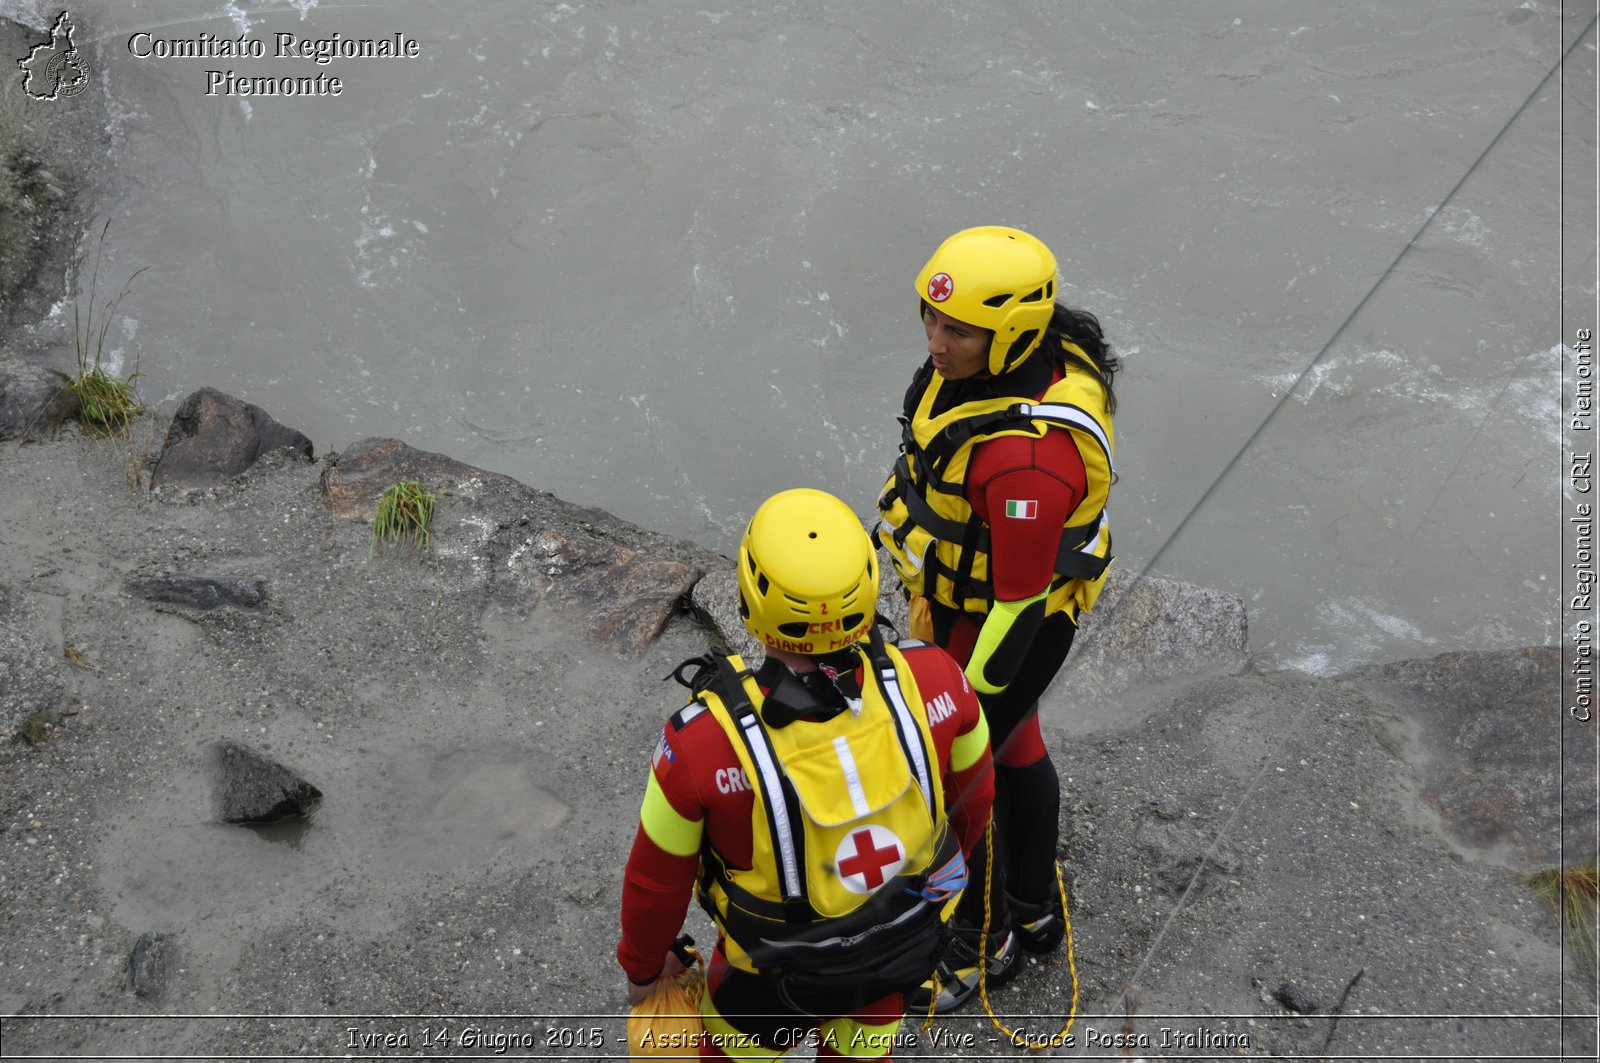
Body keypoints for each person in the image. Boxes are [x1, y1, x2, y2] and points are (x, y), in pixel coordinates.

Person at [618, 488, 996, 1060]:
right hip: (891, 953)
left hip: (763, 975)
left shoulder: (699, 743)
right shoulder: (939, 678)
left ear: (749, 597)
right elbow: (974, 804)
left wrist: (644, 971)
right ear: (867, 587)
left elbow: (655, 884)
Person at [874, 225, 1120, 1013]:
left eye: (956, 330)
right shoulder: (1001, 364)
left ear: (1010, 331)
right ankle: (1035, 904)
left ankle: (983, 945)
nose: (935, 342)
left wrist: (961, 715)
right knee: (1020, 744)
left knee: (959, 778)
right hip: (964, 597)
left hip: (1011, 622)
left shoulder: (1028, 460)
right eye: (931, 320)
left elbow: (1018, 605)